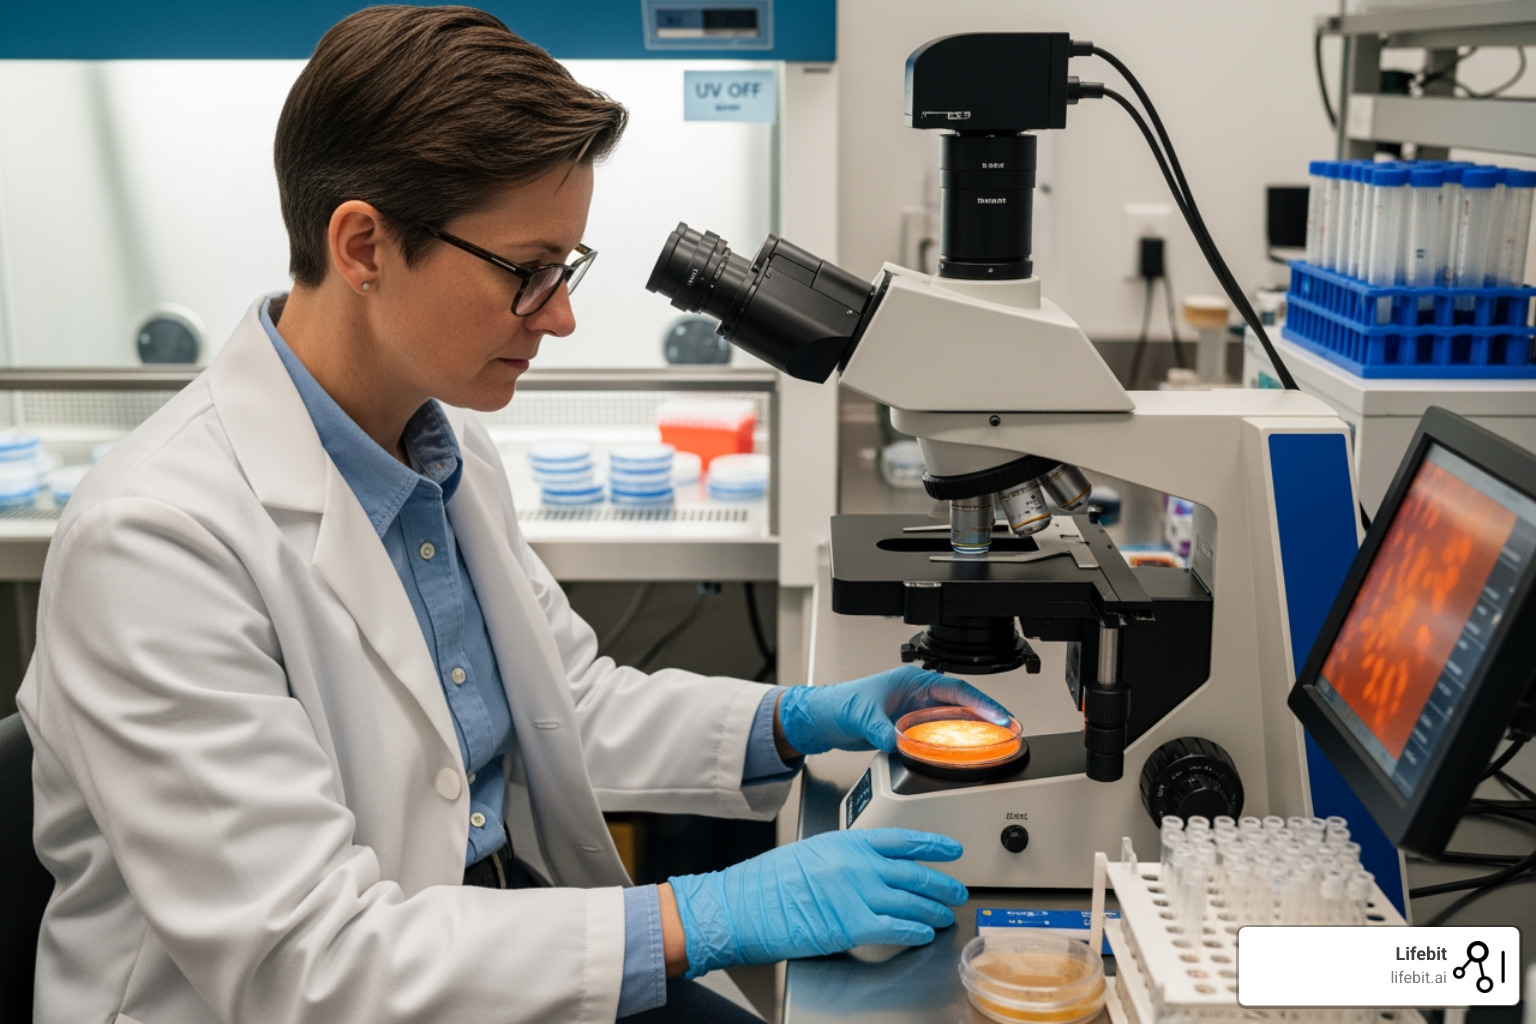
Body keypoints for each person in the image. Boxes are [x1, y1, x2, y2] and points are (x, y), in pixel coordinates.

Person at [17, 7, 1012, 1023]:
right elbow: (311, 961)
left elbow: (563, 707)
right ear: (362, 245)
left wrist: (790, 720)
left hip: (484, 948)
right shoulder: (154, 543)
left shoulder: (441, 446)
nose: (562, 315)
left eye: (565, 269)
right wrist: (703, 913)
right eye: (528, 272)